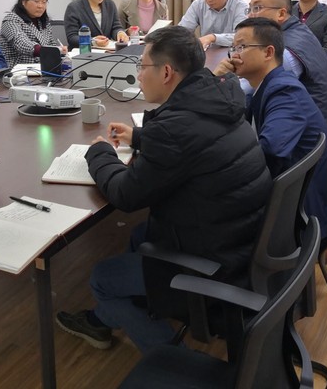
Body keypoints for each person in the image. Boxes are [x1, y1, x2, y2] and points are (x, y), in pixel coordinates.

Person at [55, 26, 272, 354]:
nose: (139, 74)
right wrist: (141, 137)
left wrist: (99, 153)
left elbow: (126, 195)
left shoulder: (174, 129)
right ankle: (108, 318)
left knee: (102, 278)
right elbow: (196, 143)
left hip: (215, 264)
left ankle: (173, 361)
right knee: (138, 236)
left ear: (167, 72)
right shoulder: (220, 97)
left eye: (142, 66)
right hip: (241, 242)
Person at [226, 17, 327, 239]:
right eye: (233, 48)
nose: (234, 55)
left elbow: (271, 151)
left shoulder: (284, 91)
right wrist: (220, 79)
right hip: (289, 199)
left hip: (298, 218)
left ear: (268, 52)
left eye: (242, 47)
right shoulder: (268, 85)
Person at [214, 0, 327, 139]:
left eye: (257, 8)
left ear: (281, 13)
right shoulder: (293, 31)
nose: (250, 15)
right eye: (250, 9)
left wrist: (218, 81)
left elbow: (246, 90)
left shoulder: (289, 49)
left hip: (307, 137)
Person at [0, 0, 67, 67]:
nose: (40, 6)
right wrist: (53, 50)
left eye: (44, 2)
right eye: (36, 1)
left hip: (43, 69)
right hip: (19, 71)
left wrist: (61, 51)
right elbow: (21, 44)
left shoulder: (44, 21)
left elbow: (51, 44)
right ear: (23, 1)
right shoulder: (11, 20)